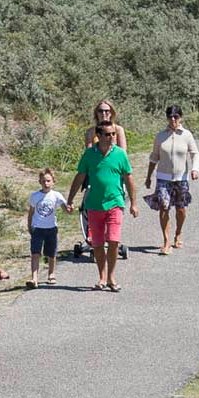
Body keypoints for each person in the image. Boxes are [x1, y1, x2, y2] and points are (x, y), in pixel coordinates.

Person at [67, 122, 139, 291]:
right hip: (94, 205)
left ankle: (111, 277)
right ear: (98, 136)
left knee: (113, 241)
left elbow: (129, 178)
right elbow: (80, 176)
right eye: (108, 134)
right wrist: (70, 199)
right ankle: (102, 276)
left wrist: (134, 203)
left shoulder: (120, 154)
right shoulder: (89, 154)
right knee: (97, 244)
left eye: (113, 134)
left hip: (115, 203)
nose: (112, 137)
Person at [78, 100, 130, 261]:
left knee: (112, 209)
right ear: (96, 113)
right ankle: (92, 237)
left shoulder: (118, 130)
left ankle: (111, 239)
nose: (104, 114)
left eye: (107, 111)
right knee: (89, 207)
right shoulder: (90, 131)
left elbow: (123, 153)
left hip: (113, 175)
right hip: (93, 174)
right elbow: (88, 153)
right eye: (101, 111)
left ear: (112, 112)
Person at [144, 106, 199, 255]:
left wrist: (195, 169)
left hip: (181, 178)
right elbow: (154, 157)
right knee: (164, 207)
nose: (173, 119)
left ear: (180, 117)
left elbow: (195, 154)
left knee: (181, 209)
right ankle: (166, 241)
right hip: (163, 177)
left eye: (176, 116)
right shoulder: (160, 136)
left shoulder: (187, 135)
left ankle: (178, 233)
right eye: (170, 117)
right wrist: (149, 176)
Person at [25, 168, 69, 285]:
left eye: (48, 181)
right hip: (37, 228)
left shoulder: (56, 195)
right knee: (35, 253)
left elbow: (66, 209)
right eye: (43, 181)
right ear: (39, 182)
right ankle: (34, 278)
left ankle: (51, 273)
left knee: (51, 253)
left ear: (53, 182)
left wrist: (69, 208)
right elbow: (31, 212)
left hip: (51, 228)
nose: (46, 183)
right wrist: (29, 226)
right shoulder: (35, 196)